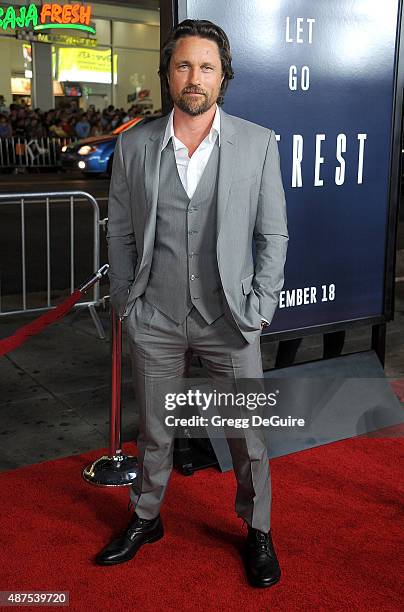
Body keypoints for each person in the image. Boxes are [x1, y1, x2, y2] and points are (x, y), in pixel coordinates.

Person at [96, 19, 288, 589]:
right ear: (169, 75)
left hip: (230, 318)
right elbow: (121, 235)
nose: (194, 77)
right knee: (156, 430)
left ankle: (257, 530)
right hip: (154, 315)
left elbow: (272, 236)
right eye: (183, 65)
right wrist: (129, 302)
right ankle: (146, 516)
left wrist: (261, 306)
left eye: (206, 66)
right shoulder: (134, 144)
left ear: (223, 75)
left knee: (247, 435)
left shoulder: (258, 143)